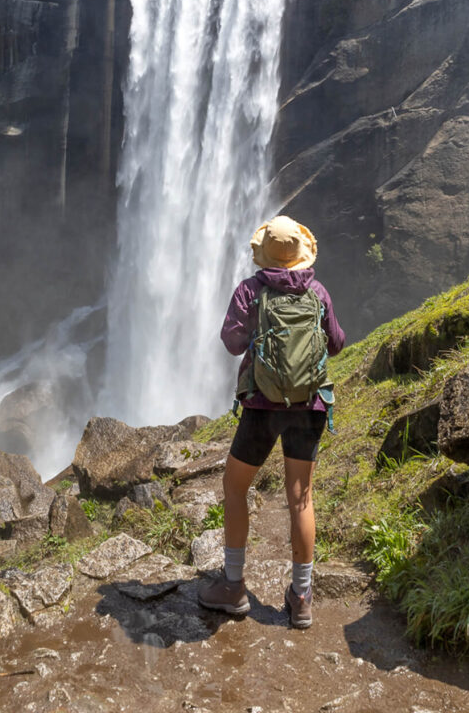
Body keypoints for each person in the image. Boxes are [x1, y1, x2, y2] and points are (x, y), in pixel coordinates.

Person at [197, 215, 345, 629]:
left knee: (234, 487)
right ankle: (301, 598)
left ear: (264, 255)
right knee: (301, 498)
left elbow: (231, 342)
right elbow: (336, 343)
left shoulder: (251, 290)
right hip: (310, 404)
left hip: (262, 407)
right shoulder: (317, 292)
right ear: (300, 255)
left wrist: (259, 336)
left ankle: (232, 587)